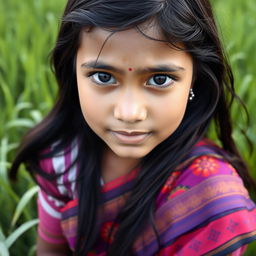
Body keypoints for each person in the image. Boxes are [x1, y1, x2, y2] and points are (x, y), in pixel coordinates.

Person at [10, 0, 256, 255]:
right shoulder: (62, 159)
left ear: (194, 77)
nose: (129, 113)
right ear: (73, 69)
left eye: (159, 79)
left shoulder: (211, 198)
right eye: (103, 77)